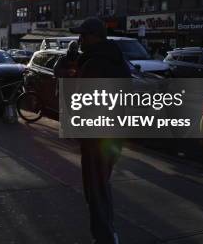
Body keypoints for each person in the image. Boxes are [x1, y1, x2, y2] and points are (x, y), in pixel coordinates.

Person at [69, 17, 131, 244]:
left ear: (94, 36)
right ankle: (107, 233)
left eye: (83, 35)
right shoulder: (115, 59)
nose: (80, 39)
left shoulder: (95, 63)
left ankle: (105, 237)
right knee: (101, 186)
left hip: (97, 137)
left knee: (95, 190)